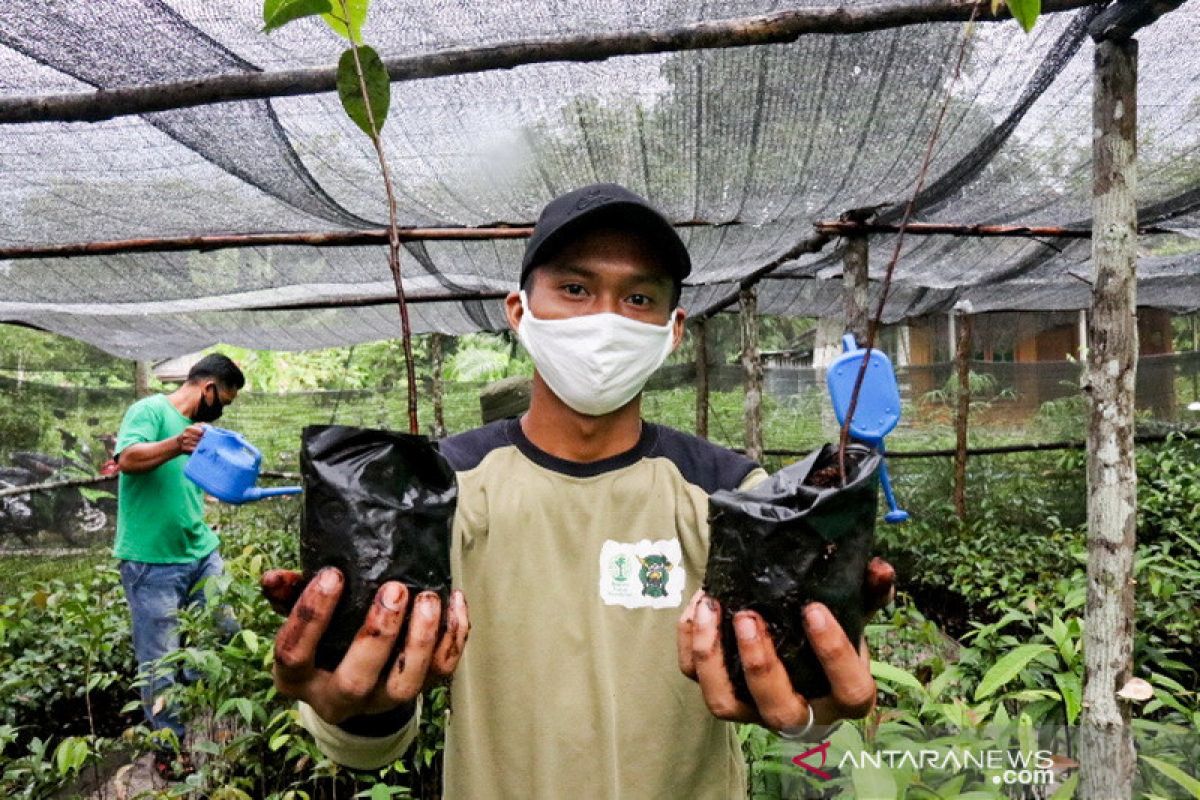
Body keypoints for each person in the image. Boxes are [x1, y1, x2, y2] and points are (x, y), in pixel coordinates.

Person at [262, 184, 895, 798]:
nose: (606, 320)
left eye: (639, 298)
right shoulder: (439, 492)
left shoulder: (734, 496)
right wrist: (359, 708)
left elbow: (807, 705)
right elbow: (366, 745)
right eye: (574, 288)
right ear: (520, 311)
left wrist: (814, 706)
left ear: (673, 330)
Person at [113, 353, 245, 779]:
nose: (222, 407)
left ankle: (201, 708)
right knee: (160, 661)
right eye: (223, 399)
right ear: (207, 389)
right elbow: (128, 459)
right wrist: (177, 444)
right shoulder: (149, 410)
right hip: (152, 562)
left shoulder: (203, 431)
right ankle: (169, 750)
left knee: (227, 631)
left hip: (200, 551)